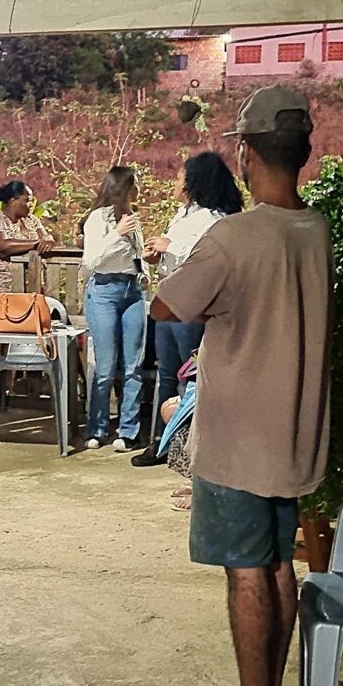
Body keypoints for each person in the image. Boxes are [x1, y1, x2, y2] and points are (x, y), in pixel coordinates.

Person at [152, 86, 331, 686]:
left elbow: (167, 304)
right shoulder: (315, 229)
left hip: (238, 441)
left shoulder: (235, 237)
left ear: (247, 152)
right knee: (278, 563)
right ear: (302, 152)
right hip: (293, 436)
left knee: (246, 571)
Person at [132, 152, 244, 467]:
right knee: (167, 373)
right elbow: (175, 257)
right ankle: (164, 442)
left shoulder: (215, 218)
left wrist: (172, 247)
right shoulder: (182, 215)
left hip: (194, 307)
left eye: (180, 176)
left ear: (196, 181)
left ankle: (193, 447)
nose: (175, 181)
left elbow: (209, 258)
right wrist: (157, 257)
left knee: (191, 376)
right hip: (170, 301)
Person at [81, 166, 148, 452]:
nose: (139, 189)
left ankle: (129, 430)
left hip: (132, 290)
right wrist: (116, 234)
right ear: (124, 187)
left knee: (133, 366)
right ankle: (97, 428)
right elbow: (90, 261)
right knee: (106, 365)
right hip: (104, 291)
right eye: (136, 184)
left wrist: (144, 271)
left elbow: (136, 254)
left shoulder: (132, 217)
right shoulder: (99, 218)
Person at [0, 180, 56, 297]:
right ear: (14, 201)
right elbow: (3, 247)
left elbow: (45, 240)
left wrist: (48, 238)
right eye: (27, 200)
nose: (31, 204)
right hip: (4, 288)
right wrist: (35, 244)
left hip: (33, 286)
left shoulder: (31, 220)